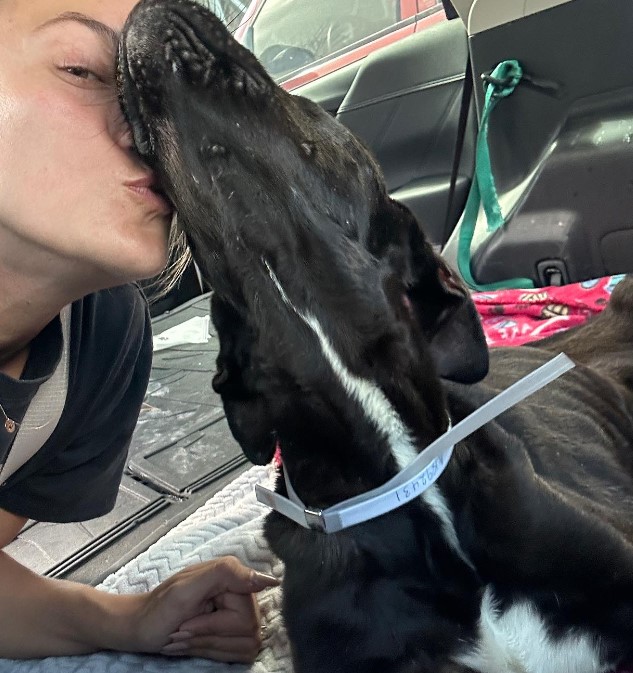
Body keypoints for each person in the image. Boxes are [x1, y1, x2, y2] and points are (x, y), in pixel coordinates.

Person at [0, 0, 278, 663]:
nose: (156, 130)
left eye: (174, 98)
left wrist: (131, 621)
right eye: (86, 69)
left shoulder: (99, 341)